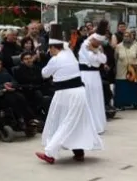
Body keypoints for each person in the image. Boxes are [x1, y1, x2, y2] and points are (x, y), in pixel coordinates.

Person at [35, 25, 103, 164]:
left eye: (50, 49)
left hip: (65, 94)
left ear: (54, 48)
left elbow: (44, 73)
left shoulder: (56, 59)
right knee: (76, 121)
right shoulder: (69, 53)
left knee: (63, 122)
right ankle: (78, 152)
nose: (50, 51)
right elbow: (65, 47)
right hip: (78, 93)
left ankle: (50, 153)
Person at [78, 20, 109, 134]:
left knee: (96, 99)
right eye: (98, 43)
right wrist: (97, 54)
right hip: (85, 75)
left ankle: (98, 124)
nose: (100, 45)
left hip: (95, 75)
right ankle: (87, 125)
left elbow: (104, 60)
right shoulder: (84, 45)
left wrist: (96, 51)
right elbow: (93, 60)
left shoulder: (96, 46)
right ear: (93, 39)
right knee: (88, 98)